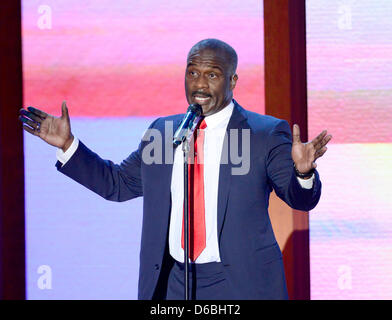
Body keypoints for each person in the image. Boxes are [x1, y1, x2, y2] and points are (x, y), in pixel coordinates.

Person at [19, 39, 332, 300]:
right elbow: (117, 184)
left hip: (240, 284)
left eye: (212, 75)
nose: (199, 83)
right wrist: (68, 144)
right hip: (173, 282)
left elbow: (299, 199)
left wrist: (303, 174)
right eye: (193, 72)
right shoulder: (164, 132)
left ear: (232, 81)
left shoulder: (264, 133)